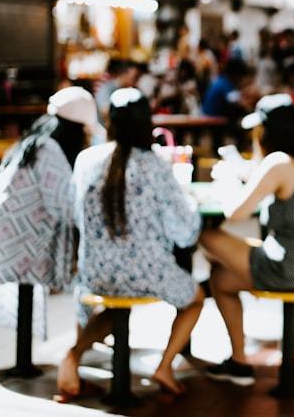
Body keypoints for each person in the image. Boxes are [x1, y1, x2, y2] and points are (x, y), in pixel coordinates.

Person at [59, 87, 204, 399]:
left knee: (115, 305)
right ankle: (165, 366)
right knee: (196, 298)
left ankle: (72, 355)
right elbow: (185, 231)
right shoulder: (155, 165)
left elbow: (72, 213)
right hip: (147, 274)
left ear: (110, 121)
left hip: (95, 274)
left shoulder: (86, 160)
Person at [198, 93, 294, 386]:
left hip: (289, 267)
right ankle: (238, 363)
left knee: (206, 234)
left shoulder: (278, 162)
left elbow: (236, 213)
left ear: (267, 130)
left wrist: (228, 179)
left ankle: (239, 358)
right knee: (221, 277)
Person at [0, 86, 102, 338]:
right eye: (85, 132)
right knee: (94, 264)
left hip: (7, 249)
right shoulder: (49, 153)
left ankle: (84, 341)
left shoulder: (33, 144)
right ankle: (85, 342)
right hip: (17, 254)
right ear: (75, 130)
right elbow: (69, 210)